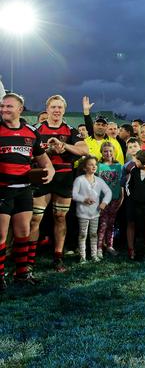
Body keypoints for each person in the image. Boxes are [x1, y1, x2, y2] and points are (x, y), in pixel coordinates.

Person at [0, 93, 55, 290]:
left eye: (9, 106)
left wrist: (50, 170)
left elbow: (44, 160)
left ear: (20, 109)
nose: (4, 109)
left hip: (24, 189)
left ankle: (22, 274)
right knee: (1, 234)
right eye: (2, 106)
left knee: (23, 232)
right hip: (2, 190)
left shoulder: (32, 132)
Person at [32, 94, 89, 273]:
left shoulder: (71, 131)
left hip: (64, 178)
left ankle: (58, 257)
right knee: (35, 218)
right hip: (42, 176)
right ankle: (28, 259)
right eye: (53, 107)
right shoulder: (36, 129)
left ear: (64, 110)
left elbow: (84, 150)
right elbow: (29, 153)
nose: (56, 110)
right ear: (47, 109)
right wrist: (46, 150)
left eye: (60, 108)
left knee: (60, 217)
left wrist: (64, 147)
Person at [72, 156, 111, 263]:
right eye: (90, 164)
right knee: (83, 234)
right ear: (84, 168)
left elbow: (108, 192)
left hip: (95, 213)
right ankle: (82, 256)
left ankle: (94, 255)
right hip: (82, 212)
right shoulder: (79, 180)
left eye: (95, 164)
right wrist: (84, 199)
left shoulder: (99, 180)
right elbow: (74, 195)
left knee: (94, 234)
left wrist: (104, 203)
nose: (94, 166)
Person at [97, 142, 123, 256]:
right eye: (105, 151)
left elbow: (121, 185)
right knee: (102, 223)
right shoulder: (98, 166)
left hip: (115, 199)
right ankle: (99, 247)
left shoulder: (119, 167)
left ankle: (110, 245)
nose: (108, 153)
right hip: (102, 200)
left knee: (111, 224)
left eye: (110, 151)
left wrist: (121, 199)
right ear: (102, 153)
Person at [82, 96, 125, 165]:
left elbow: (120, 164)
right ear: (93, 125)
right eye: (98, 124)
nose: (100, 127)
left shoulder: (114, 143)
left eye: (103, 125)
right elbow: (78, 163)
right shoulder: (85, 142)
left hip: (109, 175)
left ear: (107, 127)